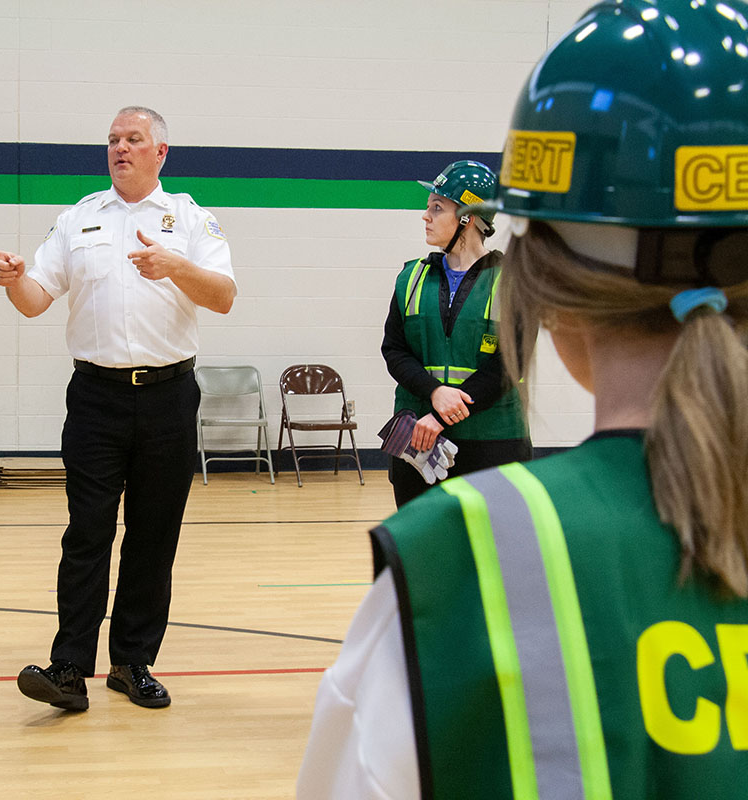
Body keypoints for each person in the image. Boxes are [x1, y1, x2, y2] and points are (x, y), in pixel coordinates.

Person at [299, 0, 748, 796]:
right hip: (430, 436)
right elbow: (395, 346)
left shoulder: (458, 563)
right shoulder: (412, 278)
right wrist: (428, 398)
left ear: (548, 287)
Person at [0, 106, 236, 711]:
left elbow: (224, 297)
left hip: (171, 397)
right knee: (87, 531)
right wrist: (12, 278)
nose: (121, 148)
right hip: (96, 397)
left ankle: (132, 662)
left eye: (134, 139)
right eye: (114, 140)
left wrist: (176, 266)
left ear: (161, 152)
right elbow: (34, 301)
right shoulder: (78, 219)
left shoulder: (193, 219)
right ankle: (68, 668)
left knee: (153, 535)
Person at [381, 159, 532, 507]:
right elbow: (394, 350)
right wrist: (434, 393)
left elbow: (511, 365)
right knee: (423, 553)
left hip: (494, 442)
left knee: (492, 553)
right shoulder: (410, 277)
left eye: (438, 207)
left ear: (468, 218)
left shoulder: (514, 283)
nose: (426, 216)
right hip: (418, 439)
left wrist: (442, 414)